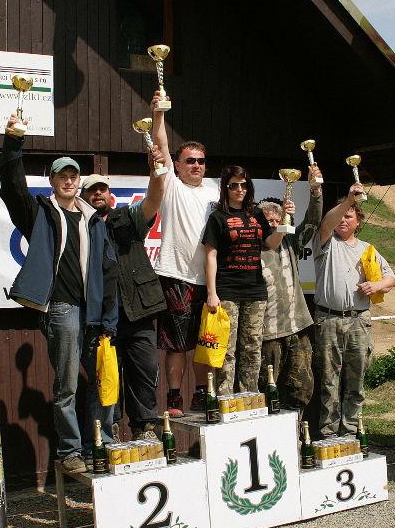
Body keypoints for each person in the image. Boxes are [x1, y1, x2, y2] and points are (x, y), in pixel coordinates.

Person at [0, 115, 119, 473]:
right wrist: (13, 143)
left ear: (78, 181)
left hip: (94, 314)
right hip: (62, 310)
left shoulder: (93, 220)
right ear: (52, 180)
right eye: (61, 175)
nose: (68, 180)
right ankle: (70, 452)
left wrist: (109, 319)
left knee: (103, 380)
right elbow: (12, 189)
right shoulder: (40, 214)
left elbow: (108, 272)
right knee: (67, 386)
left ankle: (101, 444)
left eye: (73, 175)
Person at [78, 144, 166, 440]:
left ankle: (145, 428)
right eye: (91, 191)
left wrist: (155, 173)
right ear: (83, 197)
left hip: (138, 310)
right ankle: (111, 430)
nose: (98, 194)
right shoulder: (80, 229)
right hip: (103, 318)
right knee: (108, 375)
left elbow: (154, 200)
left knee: (144, 371)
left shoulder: (127, 218)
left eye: (102, 189)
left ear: (110, 195)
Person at [150, 97, 219, 414]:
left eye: (201, 161)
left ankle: (202, 394)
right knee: (177, 344)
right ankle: (175, 396)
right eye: (190, 160)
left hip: (210, 281)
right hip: (176, 275)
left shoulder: (217, 192)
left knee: (205, 342)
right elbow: (161, 146)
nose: (196, 166)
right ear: (177, 164)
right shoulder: (172, 186)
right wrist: (158, 115)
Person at [312, 183, 395, 438]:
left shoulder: (368, 249)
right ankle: (328, 433)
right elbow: (326, 224)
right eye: (341, 214)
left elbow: (390, 278)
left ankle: (350, 431)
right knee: (329, 381)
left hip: (359, 321)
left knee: (356, 381)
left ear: (358, 221)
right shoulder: (327, 241)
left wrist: (376, 285)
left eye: (349, 216)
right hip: (328, 319)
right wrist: (348, 200)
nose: (343, 220)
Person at [202, 166, 285, 395]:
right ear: (226, 188)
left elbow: (271, 244)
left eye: (244, 185)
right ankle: (225, 396)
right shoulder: (217, 217)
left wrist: (283, 226)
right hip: (227, 289)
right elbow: (210, 256)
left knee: (252, 346)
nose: (240, 189)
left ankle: (249, 395)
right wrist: (211, 293)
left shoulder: (256, 214)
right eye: (234, 185)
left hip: (255, 290)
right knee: (227, 348)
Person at [255, 164, 323, 410]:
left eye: (277, 220)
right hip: (266, 333)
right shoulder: (250, 249)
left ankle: (297, 430)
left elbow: (313, 222)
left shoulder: (291, 243)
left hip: (297, 327)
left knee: (301, 389)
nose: (274, 224)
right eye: (269, 221)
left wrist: (315, 191)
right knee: (265, 391)